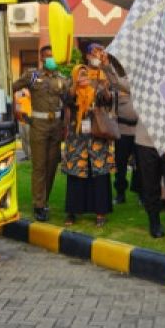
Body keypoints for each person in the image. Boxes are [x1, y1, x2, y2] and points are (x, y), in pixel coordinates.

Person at [12, 46, 69, 222]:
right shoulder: (33, 76)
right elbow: (12, 87)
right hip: (38, 125)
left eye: (53, 56)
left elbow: (68, 100)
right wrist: (16, 110)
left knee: (52, 166)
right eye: (47, 57)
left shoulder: (61, 78)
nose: (50, 59)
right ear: (41, 59)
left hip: (56, 126)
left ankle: (45, 201)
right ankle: (38, 204)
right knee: (39, 166)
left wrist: (65, 124)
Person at [60, 64, 116, 227]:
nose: (84, 77)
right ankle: (72, 212)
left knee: (99, 176)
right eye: (80, 74)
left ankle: (101, 213)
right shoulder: (71, 92)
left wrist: (103, 86)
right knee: (76, 176)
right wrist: (75, 85)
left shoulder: (96, 90)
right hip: (77, 142)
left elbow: (107, 100)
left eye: (86, 75)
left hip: (97, 140)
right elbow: (66, 100)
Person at [112, 58, 139, 203]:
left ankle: (141, 193)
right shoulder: (118, 84)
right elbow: (112, 108)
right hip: (122, 131)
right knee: (120, 164)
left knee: (140, 165)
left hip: (139, 131)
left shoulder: (142, 82)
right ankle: (120, 193)